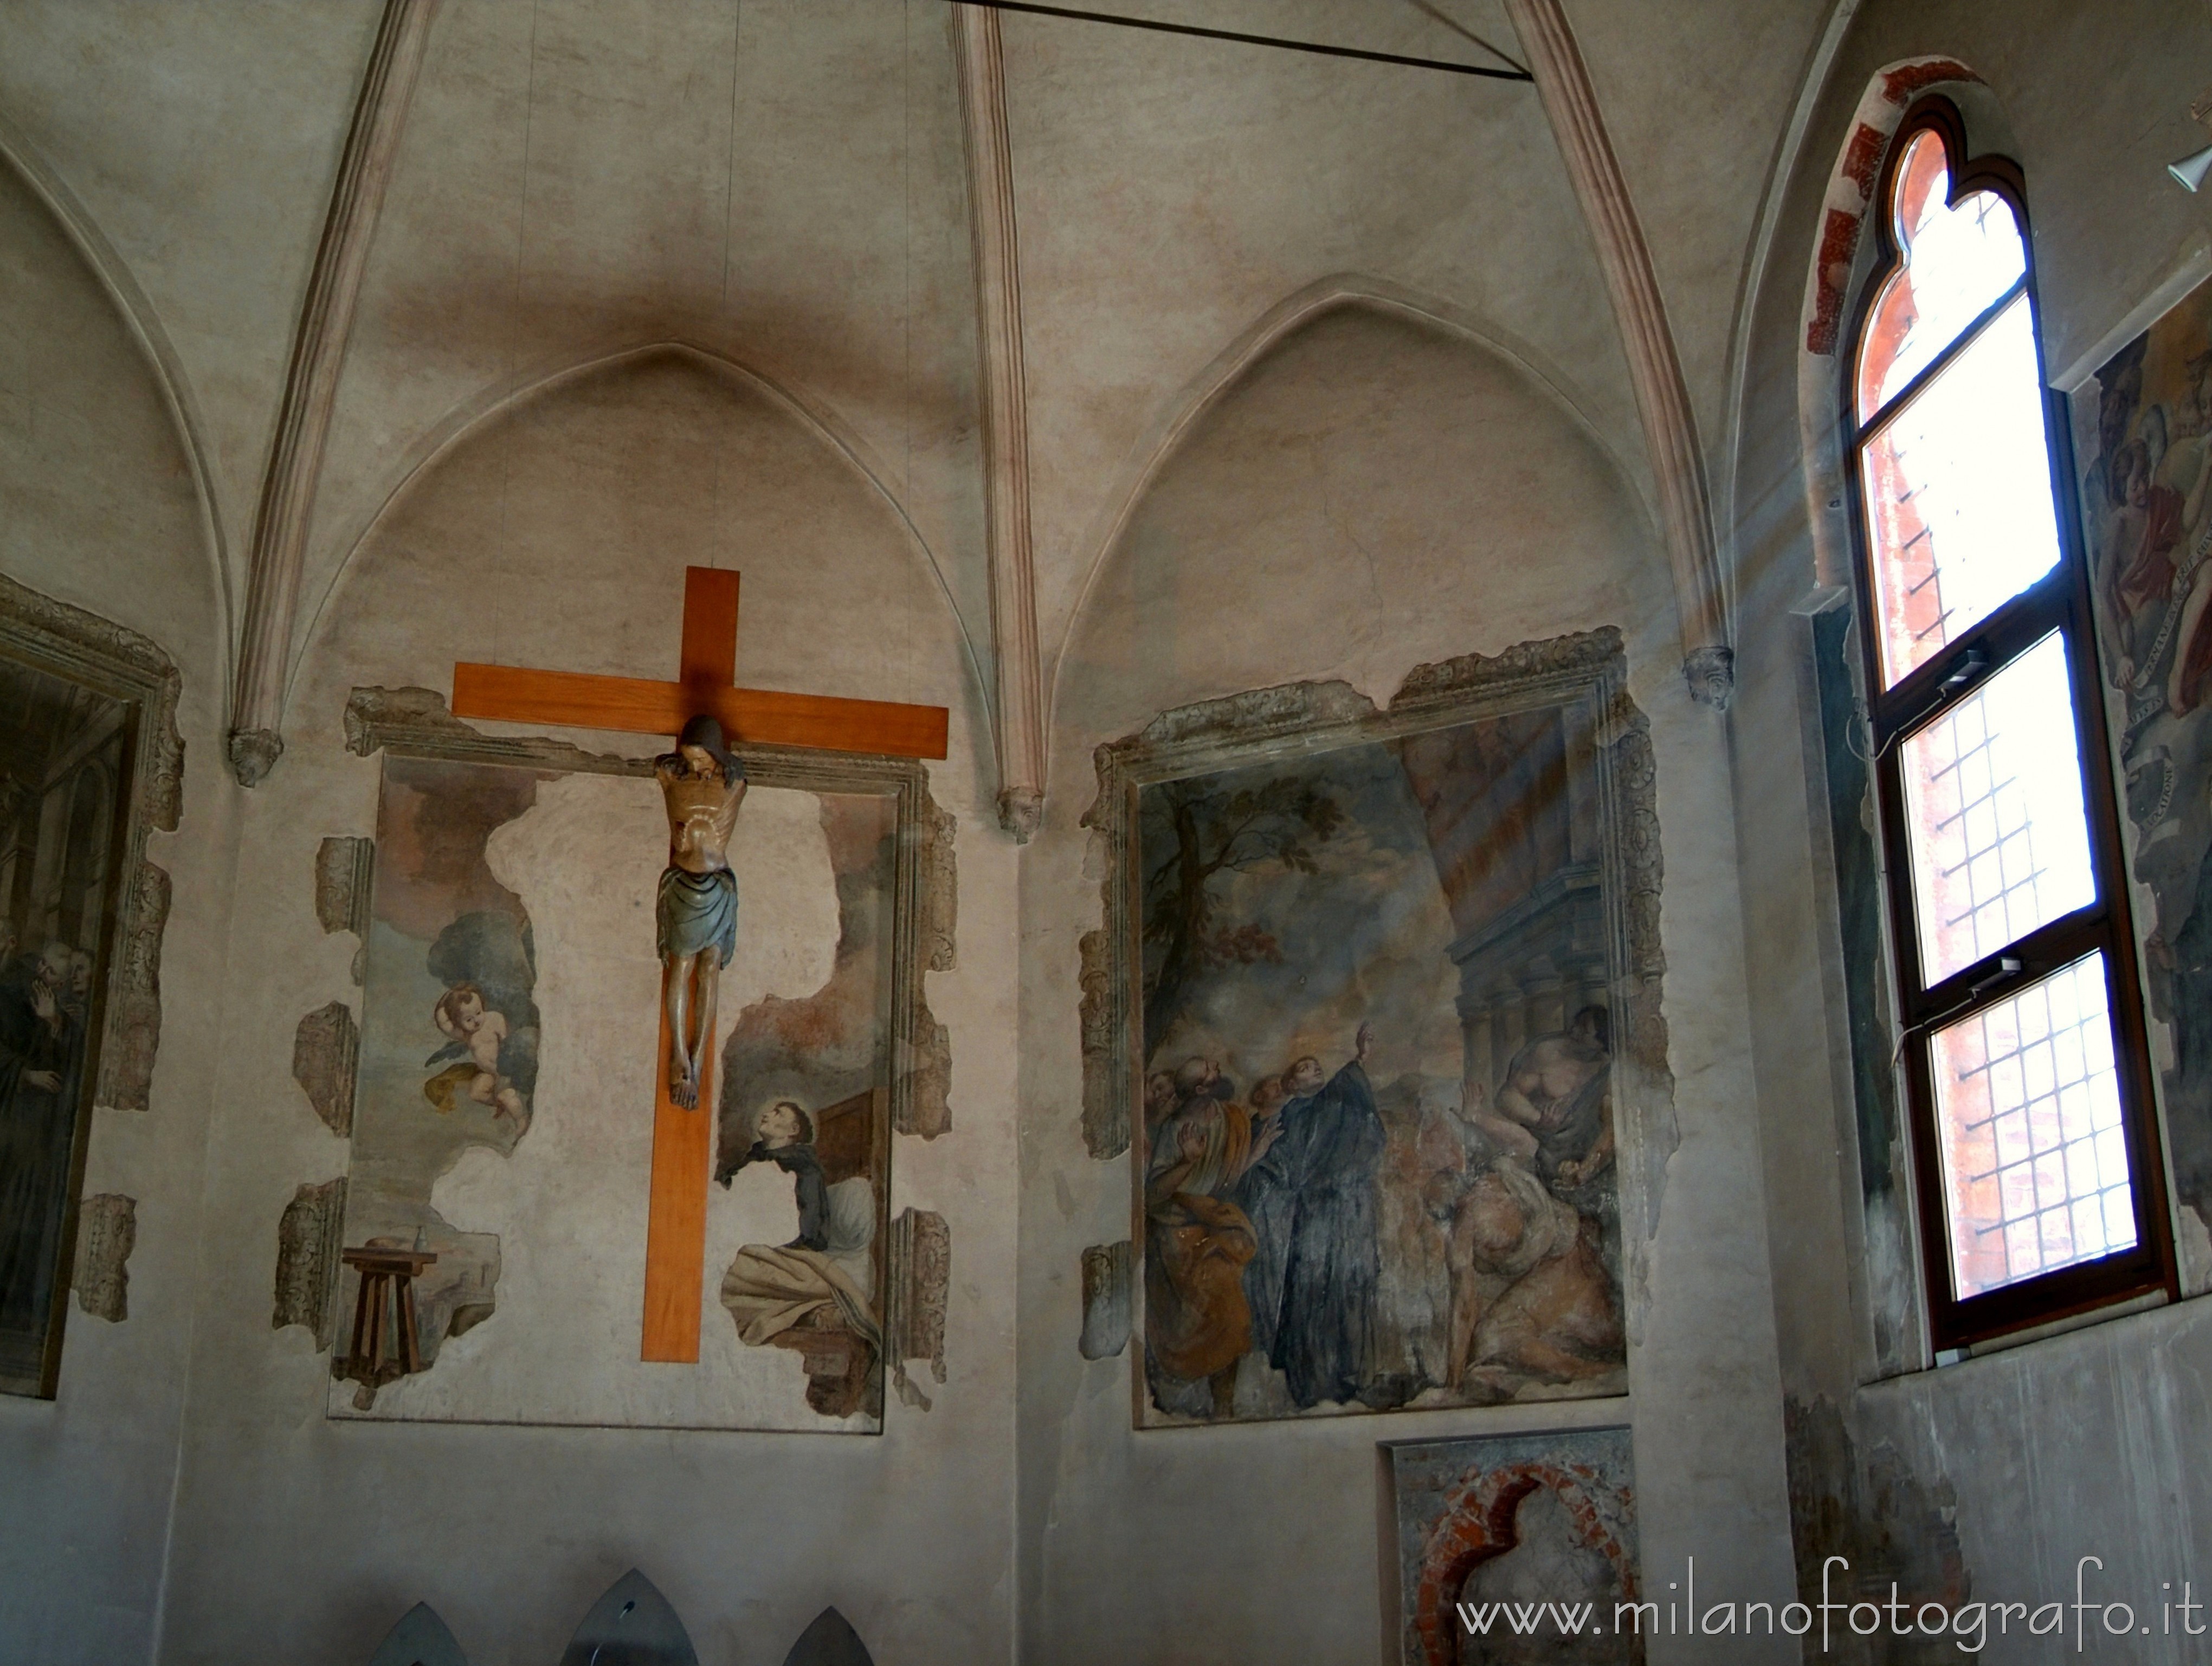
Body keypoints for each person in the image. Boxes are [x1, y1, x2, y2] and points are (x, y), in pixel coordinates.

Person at [1244, 1022, 1385, 1410]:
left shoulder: (1331, 1106)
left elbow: (1351, 1107)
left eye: (1315, 1065)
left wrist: (1361, 1057)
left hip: (1343, 1213)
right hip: (1313, 1219)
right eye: (1304, 1067)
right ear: (1290, 1083)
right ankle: (1311, 1379)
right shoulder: (1289, 1118)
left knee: (1346, 1288)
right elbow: (1283, 1169)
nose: (1315, 1069)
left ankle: (1349, 1375)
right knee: (1310, 1293)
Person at [654, 714, 747, 1109]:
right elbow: (664, 773)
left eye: (702, 759)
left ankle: (697, 1057)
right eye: (689, 759)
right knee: (681, 965)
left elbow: (735, 776)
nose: (695, 766)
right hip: (682, 884)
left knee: (710, 967)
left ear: (716, 754)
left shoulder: (733, 785)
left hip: (717, 885)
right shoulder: (674, 782)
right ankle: (679, 1052)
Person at [0, 942, 83, 1335]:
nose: (42, 976)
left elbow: (66, 1077)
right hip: (11, 1124)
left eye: (52, 974)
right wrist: (26, 1074)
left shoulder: (65, 1018)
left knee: (20, 1215)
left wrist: (53, 1025)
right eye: (42, 966)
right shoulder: (16, 998)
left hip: (37, 1138)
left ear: (63, 984)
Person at [716, 1099, 828, 1252]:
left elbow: (809, 1226)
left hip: (777, 1246)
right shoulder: (751, 1160)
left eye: (778, 1113)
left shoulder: (805, 1169)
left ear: (793, 1130)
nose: (766, 1115)